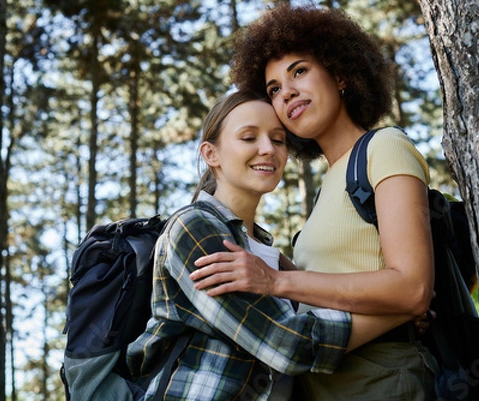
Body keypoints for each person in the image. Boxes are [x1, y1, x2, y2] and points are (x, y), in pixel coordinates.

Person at [190, 4, 438, 400]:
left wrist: (278, 280)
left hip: (378, 381)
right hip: (318, 381)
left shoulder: (383, 147)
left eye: (299, 71)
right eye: (273, 89)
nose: (286, 92)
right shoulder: (328, 184)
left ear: (340, 74)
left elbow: (412, 288)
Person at [126, 90, 415, 401]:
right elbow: (288, 345)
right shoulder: (194, 228)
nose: (268, 149)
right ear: (211, 154)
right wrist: (401, 309)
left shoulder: (266, 255)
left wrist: (391, 301)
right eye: (249, 137)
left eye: (278, 140)